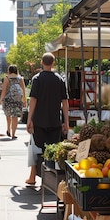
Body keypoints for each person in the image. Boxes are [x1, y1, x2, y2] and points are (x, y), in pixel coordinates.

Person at [26, 53, 69, 185]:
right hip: (55, 121)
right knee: (52, 152)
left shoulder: (37, 79)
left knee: (36, 149)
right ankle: (50, 180)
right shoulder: (59, 79)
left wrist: (29, 119)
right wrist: (66, 122)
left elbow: (33, 99)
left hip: (39, 120)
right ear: (53, 63)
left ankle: (35, 175)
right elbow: (65, 102)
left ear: (41, 62)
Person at [0, 65, 26, 139]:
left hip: (8, 100)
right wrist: (24, 101)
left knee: (8, 115)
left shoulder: (7, 78)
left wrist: (1, 100)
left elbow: (4, 90)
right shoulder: (20, 78)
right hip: (17, 100)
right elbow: (23, 90)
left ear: (9, 71)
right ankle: (13, 134)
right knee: (15, 116)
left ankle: (8, 129)